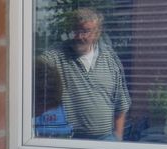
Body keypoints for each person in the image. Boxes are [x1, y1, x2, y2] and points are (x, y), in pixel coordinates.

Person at [40, 7, 131, 140]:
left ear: (98, 33)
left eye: (86, 31)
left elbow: (121, 103)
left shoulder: (110, 59)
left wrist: (117, 138)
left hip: (105, 139)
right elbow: (32, 69)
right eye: (77, 30)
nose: (80, 36)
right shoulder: (56, 55)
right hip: (70, 140)